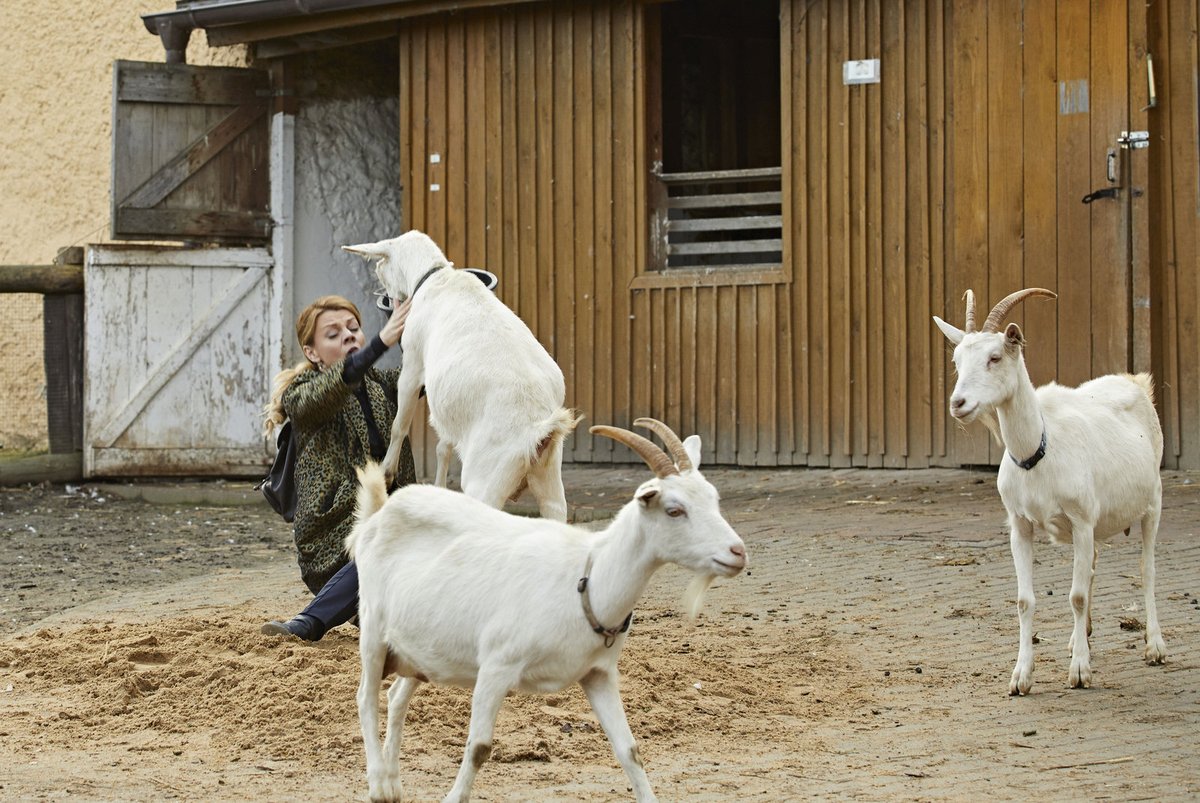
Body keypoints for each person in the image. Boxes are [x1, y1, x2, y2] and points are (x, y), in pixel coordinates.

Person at [260, 294, 416, 641]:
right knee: (387, 539)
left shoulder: (383, 384)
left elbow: (425, 371)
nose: (348, 336)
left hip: (393, 539)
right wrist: (381, 341)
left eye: (354, 329)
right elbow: (329, 389)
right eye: (333, 334)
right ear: (312, 353)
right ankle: (306, 623)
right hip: (335, 539)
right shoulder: (300, 394)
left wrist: (440, 312)